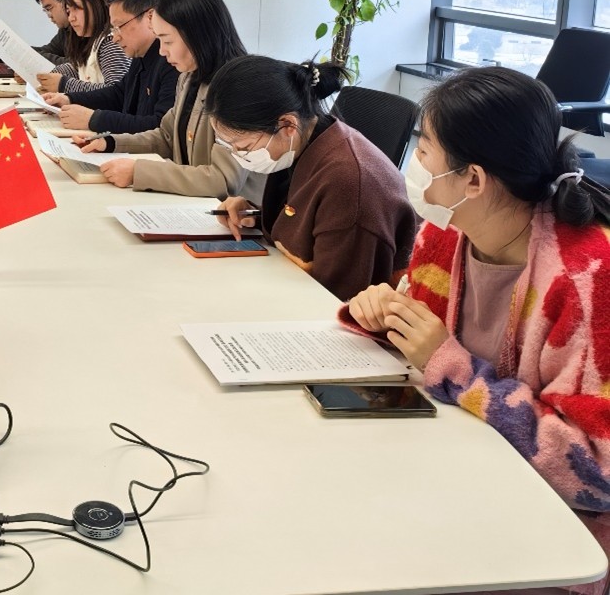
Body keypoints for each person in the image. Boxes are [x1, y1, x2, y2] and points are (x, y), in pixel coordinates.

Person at [344, 67, 610, 594]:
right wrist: (382, 315)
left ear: (473, 180)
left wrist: (454, 368)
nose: (415, 162)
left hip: (547, 538)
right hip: (447, 477)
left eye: (425, 149)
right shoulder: (447, 233)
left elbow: (595, 471)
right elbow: (419, 348)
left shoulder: (586, 279)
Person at [209, 56, 417, 301]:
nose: (238, 154)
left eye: (244, 146)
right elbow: (308, 220)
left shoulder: (347, 182)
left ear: (288, 124)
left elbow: (335, 300)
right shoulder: (305, 142)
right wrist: (254, 215)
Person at [79, 0, 250, 197]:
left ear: (197, 35)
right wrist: (110, 142)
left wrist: (139, 172)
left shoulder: (238, 88)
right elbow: (166, 137)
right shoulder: (189, 77)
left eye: (167, 41)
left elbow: (223, 181)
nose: (161, 51)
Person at [43, 0, 176, 135]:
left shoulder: (171, 62)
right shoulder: (140, 55)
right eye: (113, 28)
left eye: (120, 26)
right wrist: (69, 98)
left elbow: (160, 128)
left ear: (150, 17)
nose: (115, 38)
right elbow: (118, 94)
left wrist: (94, 119)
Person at [36, 0, 129, 95]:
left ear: (97, 5)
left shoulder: (111, 42)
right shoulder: (88, 39)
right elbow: (76, 68)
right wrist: (43, 78)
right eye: (68, 11)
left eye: (77, 8)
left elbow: (116, 93)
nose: (71, 18)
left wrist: (64, 84)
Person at [32, 0, 79, 65]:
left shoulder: (85, 29)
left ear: (66, 1)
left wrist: (32, 56)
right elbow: (49, 50)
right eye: (45, 10)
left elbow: (77, 65)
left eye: (49, 8)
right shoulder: (65, 29)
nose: (49, 16)